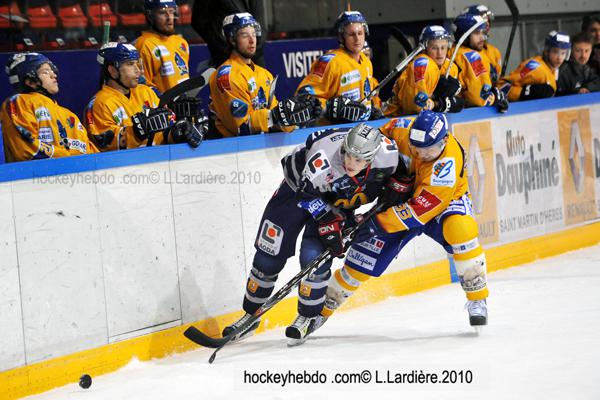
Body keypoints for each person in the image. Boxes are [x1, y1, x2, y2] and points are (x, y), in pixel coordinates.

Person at [309, 111, 489, 339]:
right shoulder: (400, 128)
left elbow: (420, 209)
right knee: (360, 261)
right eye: (416, 148)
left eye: (428, 150)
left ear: (444, 140)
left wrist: (376, 223)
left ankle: (477, 298)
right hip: (400, 199)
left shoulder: (447, 164)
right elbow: (374, 147)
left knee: (460, 229)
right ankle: (319, 312)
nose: (421, 154)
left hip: (442, 204)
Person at [222, 122, 399, 345]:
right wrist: (328, 222)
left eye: (358, 159)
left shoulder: (388, 156)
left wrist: (397, 190)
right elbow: (306, 194)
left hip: (337, 201)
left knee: (313, 259)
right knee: (268, 254)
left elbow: (401, 178)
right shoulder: (323, 159)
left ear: (371, 158)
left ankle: (307, 317)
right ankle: (250, 315)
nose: (350, 163)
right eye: (348, 155)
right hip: (296, 191)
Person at [208, 13, 321, 138]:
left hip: (261, 145)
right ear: (232, 39)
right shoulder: (227, 76)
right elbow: (241, 127)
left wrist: (293, 118)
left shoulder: (264, 74)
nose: (252, 40)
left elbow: (274, 118)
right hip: (231, 148)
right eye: (245, 35)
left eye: (253, 34)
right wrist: (274, 116)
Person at [84, 42, 204, 151]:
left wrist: (178, 131)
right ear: (113, 70)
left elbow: (164, 132)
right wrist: (137, 131)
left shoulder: (146, 92)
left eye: (137, 64)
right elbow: (104, 144)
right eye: (130, 64)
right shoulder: (100, 103)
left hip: (159, 160)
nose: (139, 71)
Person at [1, 52, 97, 162]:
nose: (54, 75)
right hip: (36, 173)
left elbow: (92, 154)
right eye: (45, 72)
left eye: (52, 71)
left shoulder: (69, 115)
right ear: (30, 81)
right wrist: (70, 158)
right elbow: (27, 151)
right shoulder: (19, 102)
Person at [296, 11, 381, 125]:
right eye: (351, 34)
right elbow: (303, 97)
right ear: (341, 37)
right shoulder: (329, 62)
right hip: (330, 130)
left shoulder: (366, 62)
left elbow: (365, 97)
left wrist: (369, 110)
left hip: (359, 129)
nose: (357, 39)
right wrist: (330, 108)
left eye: (360, 33)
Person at [383, 25, 463, 117]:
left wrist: (438, 103)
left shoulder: (450, 66)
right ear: (425, 48)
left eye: (443, 47)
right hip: (394, 118)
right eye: (434, 48)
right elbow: (414, 107)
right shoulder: (423, 65)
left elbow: (457, 102)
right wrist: (436, 94)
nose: (440, 53)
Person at [450, 13, 508, 112]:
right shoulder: (472, 57)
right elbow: (481, 99)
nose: (482, 38)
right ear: (464, 35)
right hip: (469, 114)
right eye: (477, 33)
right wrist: (495, 97)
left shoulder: (453, 51)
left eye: (482, 33)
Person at [134, 0, 190, 94]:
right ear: (150, 16)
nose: (169, 17)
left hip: (183, 102)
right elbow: (143, 86)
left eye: (171, 11)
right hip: (161, 103)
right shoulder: (144, 45)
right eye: (162, 12)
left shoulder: (181, 42)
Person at [191, 0, 266, 68]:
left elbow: (260, 19)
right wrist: (221, 44)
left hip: (256, 56)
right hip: (227, 55)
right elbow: (198, 21)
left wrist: (257, 43)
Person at [499, 31, 571, 102]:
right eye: (555, 52)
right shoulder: (533, 66)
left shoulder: (555, 70)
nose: (559, 58)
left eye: (563, 53)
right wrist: (525, 92)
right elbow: (501, 86)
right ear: (547, 50)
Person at [462, 4, 502, 83]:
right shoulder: (458, 53)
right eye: (482, 20)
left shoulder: (494, 52)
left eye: (488, 21)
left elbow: (497, 81)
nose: (487, 24)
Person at [557, 32, 600, 96]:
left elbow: (597, 82)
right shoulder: (562, 71)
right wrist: (577, 92)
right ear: (570, 51)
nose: (583, 56)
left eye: (587, 51)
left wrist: (587, 88)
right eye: (578, 51)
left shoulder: (587, 69)